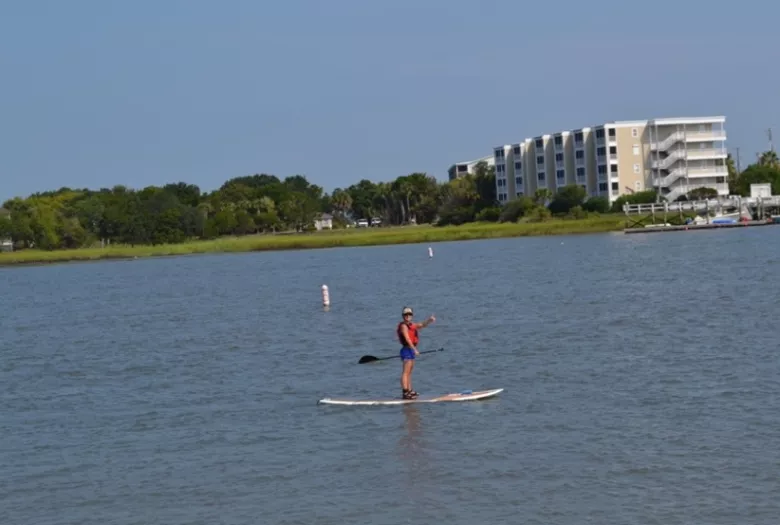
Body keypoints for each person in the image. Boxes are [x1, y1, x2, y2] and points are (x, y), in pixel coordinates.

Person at [397, 306, 435, 399]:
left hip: (410, 350)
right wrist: (414, 349)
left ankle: (410, 390)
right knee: (405, 372)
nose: (407, 316)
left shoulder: (411, 325)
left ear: (412, 315)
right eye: (405, 315)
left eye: (409, 314)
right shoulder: (403, 326)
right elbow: (407, 339)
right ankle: (405, 392)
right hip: (406, 350)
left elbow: (421, 325)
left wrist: (429, 321)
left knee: (409, 372)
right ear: (403, 316)